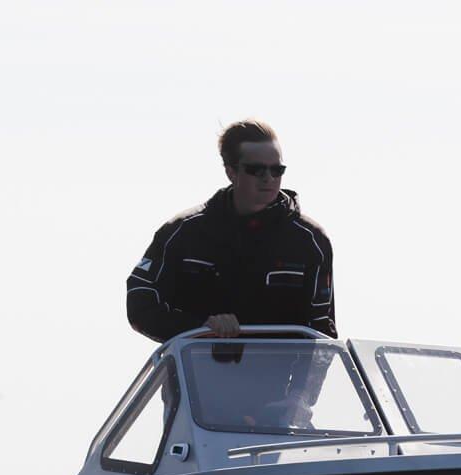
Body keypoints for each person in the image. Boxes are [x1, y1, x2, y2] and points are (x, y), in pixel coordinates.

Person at [126, 120, 336, 343]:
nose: (268, 178)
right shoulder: (182, 233)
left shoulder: (311, 241)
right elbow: (140, 303)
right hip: (199, 365)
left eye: (277, 170)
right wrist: (200, 328)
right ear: (230, 172)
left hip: (283, 366)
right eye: (256, 170)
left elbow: (323, 330)